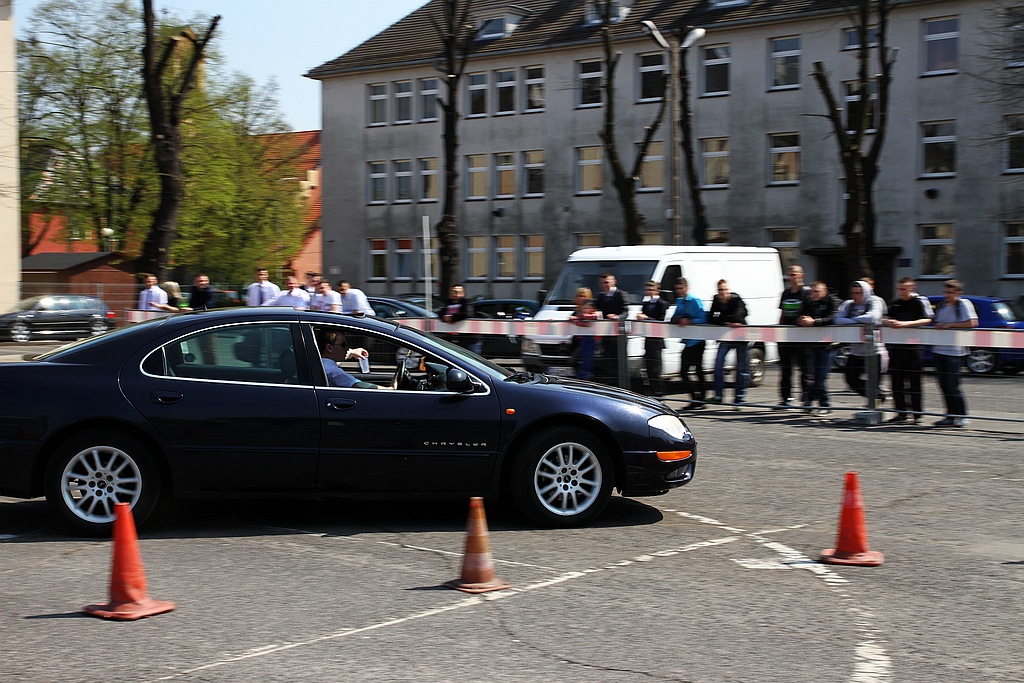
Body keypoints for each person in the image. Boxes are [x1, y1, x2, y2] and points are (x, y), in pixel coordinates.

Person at [883, 276, 933, 423]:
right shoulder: (895, 303)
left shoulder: (917, 303)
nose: (901, 292)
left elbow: (926, 319)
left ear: (912, 288)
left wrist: (907, 324)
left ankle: (917, 414)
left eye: (904, 289)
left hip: (913, 347)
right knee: (896, 382)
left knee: (914, 382)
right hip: (896, 347)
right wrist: (888, 321)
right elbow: (883, 318)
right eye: (899, 289)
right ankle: (901, 413)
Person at [932, 279, 977, 427]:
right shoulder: (942, 305)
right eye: (945, 292)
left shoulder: (963, 304)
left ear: (958, 293)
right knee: (943, 385)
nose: (947, 295)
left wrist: (950, 325)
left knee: (953, 385)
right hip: (939, 349)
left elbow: (972, 322)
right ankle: (950, 415)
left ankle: (962, 415)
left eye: (950, 293)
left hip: (955, 351)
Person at [835, 280, 888, 406]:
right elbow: (837, 319)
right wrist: (858, 321)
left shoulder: (875, 301)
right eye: (853, 293)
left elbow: (873, 317)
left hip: (874, 351)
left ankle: (874, 403)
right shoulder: (848, 304)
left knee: (874, 382)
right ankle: (878, 396)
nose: (855, 296)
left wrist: (850, 320)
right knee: (851, 379)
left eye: (858, 293)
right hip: (856, 351)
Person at [797, 281, 841, 416]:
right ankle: (812, 402)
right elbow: (799, 315)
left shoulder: (833, 301)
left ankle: (822, 403)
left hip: (828, 345)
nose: (813, 294)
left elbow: (833, 318)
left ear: (825, 292)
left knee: (820, 376)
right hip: (811, 344)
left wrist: (815, 322)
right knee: (811, 376)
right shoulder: (808, 302)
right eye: (812, 291)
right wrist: (800, 320)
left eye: (816, 291)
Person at [708, 279, 748, 407]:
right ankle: (718, 395)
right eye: (720, 290)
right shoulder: (716, 299)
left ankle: (739, 399)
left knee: (741, 368)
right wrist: (726, 321)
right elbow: (711, 318)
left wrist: (724, 320)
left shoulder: (736, 299)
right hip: (725, 336)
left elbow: (740, 315)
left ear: (729, 290)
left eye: (725, 290)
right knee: (718, 364)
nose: (722, 293)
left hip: (740, 337)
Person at [670, 277, 707, 410]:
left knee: (698, 370)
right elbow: (673, 317)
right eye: (677, 289)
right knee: (684, 372)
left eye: (681, 288)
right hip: (687, 341)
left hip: (698, 341)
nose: (679, 291)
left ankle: (702, 399)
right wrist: (680, 319)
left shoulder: (695, 301)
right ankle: (694, 398)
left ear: (686, 288)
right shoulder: (679, 301)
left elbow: (703, 318)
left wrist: (690, 321)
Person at [777, 264, 811, 407]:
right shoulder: (785, 293)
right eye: (789, 275)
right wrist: (779, 331)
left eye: (794, 274)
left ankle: (806, 399)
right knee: (786, 369)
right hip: (786, 336)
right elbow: (783, 313)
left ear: (801, 275)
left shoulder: (807, 293)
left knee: (805, 369)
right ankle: (786, 398)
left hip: (802, 337)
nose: (791, 277)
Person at [595, 272, 628, 382]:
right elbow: (594, 309)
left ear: (614, 282)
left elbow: (625, 312)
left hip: (618, 334)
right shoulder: (600, 296)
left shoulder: (621, 294)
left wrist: (617, 317)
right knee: (607, 360)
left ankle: (620, 384)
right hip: (606, 334)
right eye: (601, 283)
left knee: (619, 361)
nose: (604, 285)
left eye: (606, 282)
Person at [636, 280, 668, 395]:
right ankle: (652, 391)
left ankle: (659, 393)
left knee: (656, 370)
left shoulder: (662, 303)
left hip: (657, 340)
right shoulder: (646, 304)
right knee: (648, 369)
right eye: (647, 289)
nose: (649, 292)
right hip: (648, 339)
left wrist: (646, 318)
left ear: (657, 290)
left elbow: (660, 320)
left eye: (651, 289)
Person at [569, 288, 599, 379]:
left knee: (587, 357)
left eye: (583, 296)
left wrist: (577, 320)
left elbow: (590, 322)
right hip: (577, 340)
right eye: (578, 296)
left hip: (590, 339)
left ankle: (585, 375)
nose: (580, 298)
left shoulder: (592, 311)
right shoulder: (576, 312)